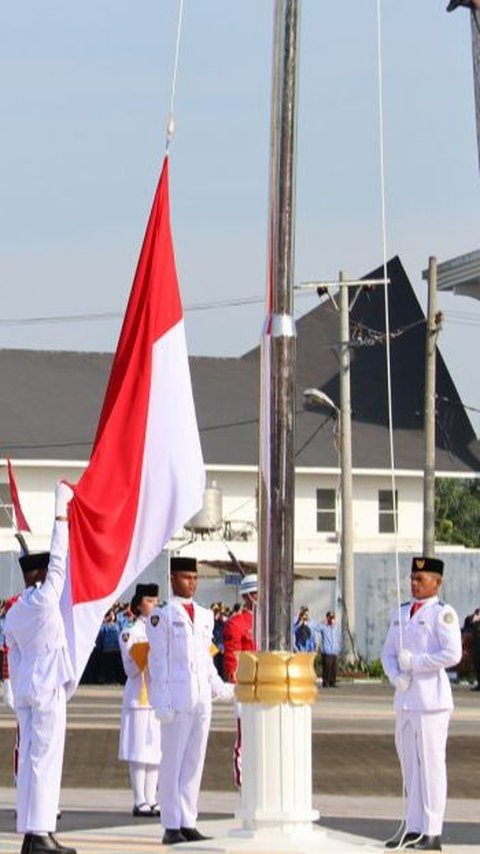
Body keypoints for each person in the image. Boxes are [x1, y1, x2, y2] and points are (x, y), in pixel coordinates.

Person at [4, 482, 76, 854]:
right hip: (47, 691)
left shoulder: (14, 612)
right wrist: (61, 513)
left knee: (31, 763)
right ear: (41, 575)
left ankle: (32, 834)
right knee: (45, 762)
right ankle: (42, 833)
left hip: (28, 691)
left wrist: (16, 689)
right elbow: (61, 559)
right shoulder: (47, 601)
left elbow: (12, 654)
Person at [147, 556, 234, 845]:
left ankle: (188, 820)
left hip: (200, 699)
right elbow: (157, 662)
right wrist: (161, 703)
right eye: (186, 577)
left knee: (194, 762)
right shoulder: (162, 615)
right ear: (172, 579)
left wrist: (222, 689)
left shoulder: (205, 615)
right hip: (176, 698)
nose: (192, 583)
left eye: (195, 578)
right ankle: (171, 824)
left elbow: (206, 660)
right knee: (172, 763)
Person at [381, 556, 462, 852]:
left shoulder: (443, 614)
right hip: (405, 700)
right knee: (409, 768)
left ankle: (432, 831)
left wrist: (415, 663)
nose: (414, 584)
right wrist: (394, 675)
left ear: (437, 583)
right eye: (413, 579)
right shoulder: (401, 612)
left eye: (421, 579)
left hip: (431, 701)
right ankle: (413, 827)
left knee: (431, 767)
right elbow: (387, 653)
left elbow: (452, 654)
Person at [118, 583, 161, 817]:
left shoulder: (160, 629)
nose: (154, 604)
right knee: (138, 751)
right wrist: (147, 654)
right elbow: (130, 669)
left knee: (155, 751)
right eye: (150, 600)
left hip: (157, 696)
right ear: (138, 604)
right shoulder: (130, 632)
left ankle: (152, 798)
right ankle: (139, 799)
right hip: (138, 695)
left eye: (157, 600)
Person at [223, 574, 257, 787]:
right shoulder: (235, 623)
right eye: (256, 594)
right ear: (248, 596)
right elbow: (231, 656)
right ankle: (242, 779)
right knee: (245, 735)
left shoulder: (268, 620)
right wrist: (235, 680)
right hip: (244, 685)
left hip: (264, 683)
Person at [318, 611, 341, 687]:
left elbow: (338, 637)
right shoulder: (324, 627)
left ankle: (332, 682)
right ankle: (325, 682)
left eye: (333, 618)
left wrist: (338, 648)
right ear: (327, 618)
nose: (332, 620)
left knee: (334, 668)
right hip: (327, 651)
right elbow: (316, 628)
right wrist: (323, 622)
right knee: (327, 668)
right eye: (330, 618)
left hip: (334, 650)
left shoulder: (336, 627)